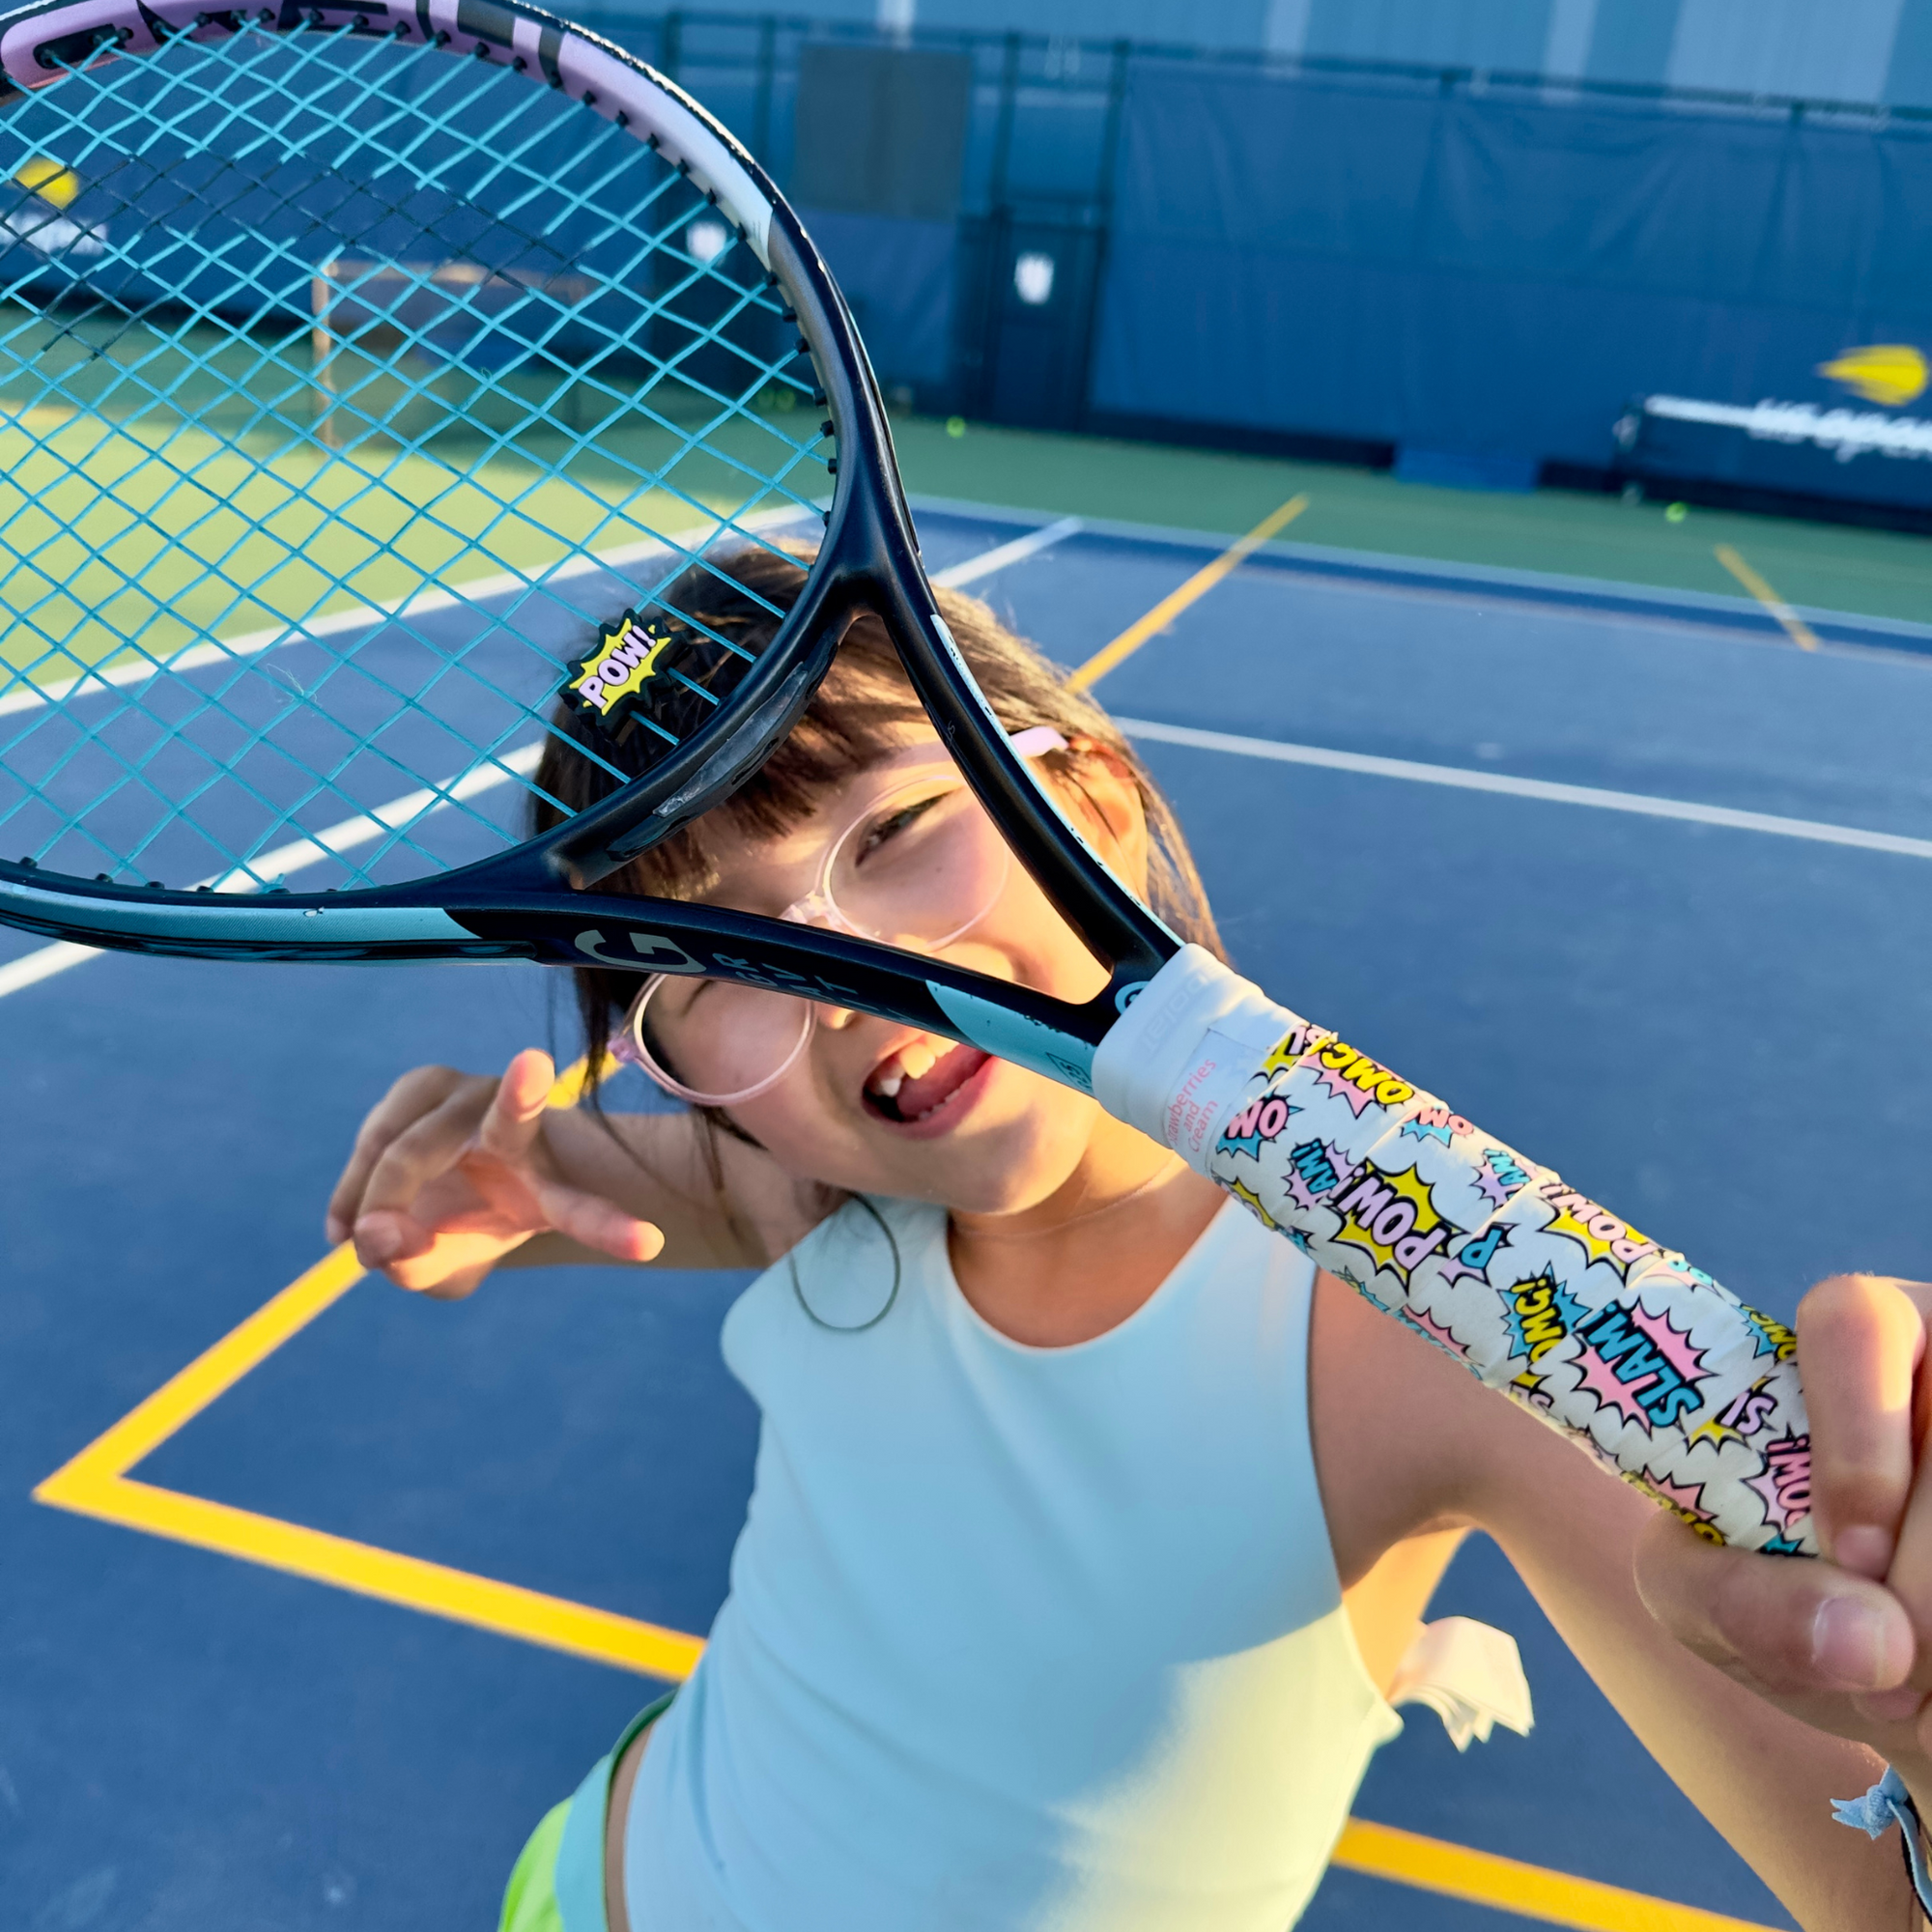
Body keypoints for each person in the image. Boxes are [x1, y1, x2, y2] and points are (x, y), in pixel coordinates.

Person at [326, 547, 1932, 1931]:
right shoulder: (817, 1188)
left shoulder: (1415, 1328)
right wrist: (502, 1204)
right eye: (714, 956)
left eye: (890, 835)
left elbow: (1872, 1887)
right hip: (587, 1882)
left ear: (1083, 797)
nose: (844, 984)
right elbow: (634, 1190)